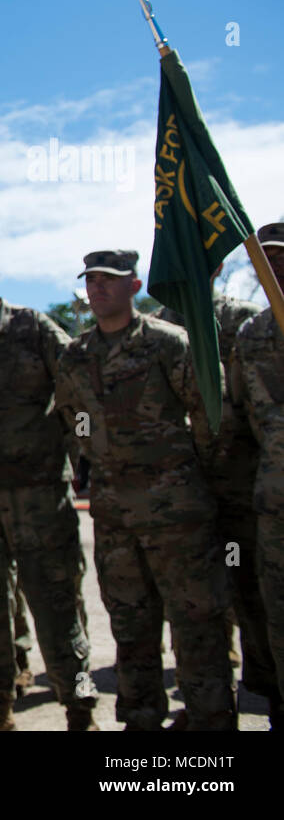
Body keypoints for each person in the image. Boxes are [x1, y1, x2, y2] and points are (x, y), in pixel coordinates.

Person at [56, 250, 235, 730]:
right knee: (130, 628)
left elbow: (208, 413)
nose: (97, 289)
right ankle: (140, 719)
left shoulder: (167, 343)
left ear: (134, 286)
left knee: (197, 625)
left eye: (109, 281)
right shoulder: (75, 356)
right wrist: (88, 458)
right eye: (91, 281)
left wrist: (190, 476)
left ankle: (211, 720)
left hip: (178, 514)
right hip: (115, 517)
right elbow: (76, 419)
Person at [0, 248, 96, 730]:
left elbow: (79, 390)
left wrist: (83, 456)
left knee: (54, 605)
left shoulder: (33, 328)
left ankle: (78, 709)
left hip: (37, 495)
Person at [160, 267, 277, 718]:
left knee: (251, 595)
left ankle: (268, 697)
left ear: (215, 267)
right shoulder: (159, 329)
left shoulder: (247, 324)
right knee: (190, 603)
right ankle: (204, 705)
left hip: (241, 492)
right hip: (182, 493)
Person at [228, 222, 284, 728]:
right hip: (271, 501)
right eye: (264, 258)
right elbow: (241, 419)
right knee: (272, 608)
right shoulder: (253, 333)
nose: (274, 266)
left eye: (282, 256)